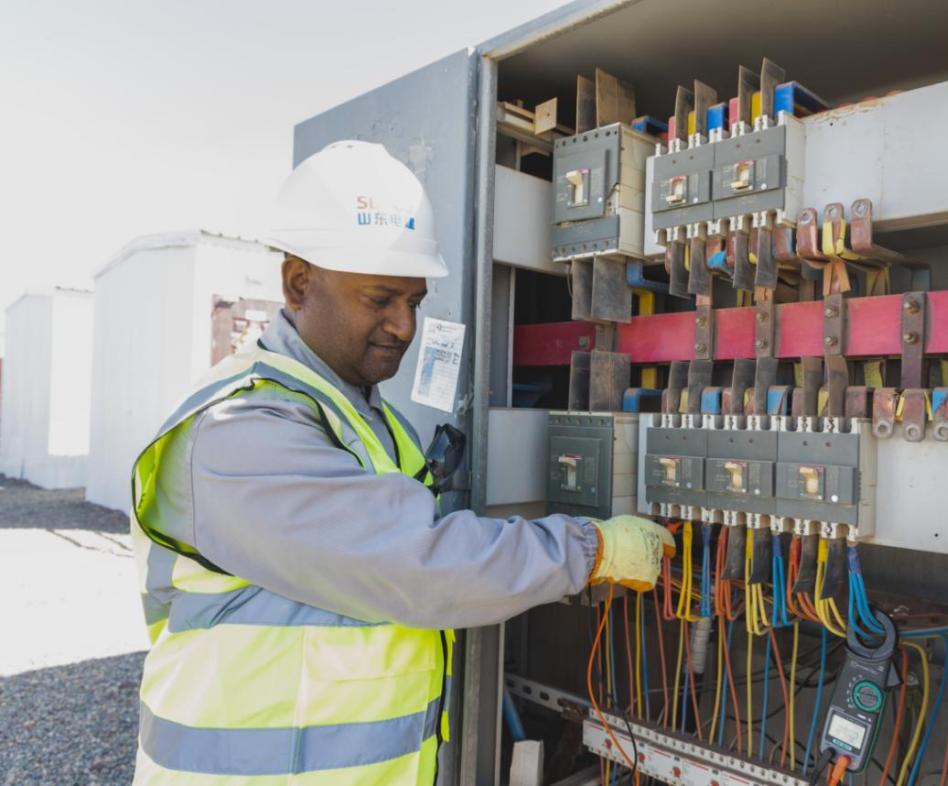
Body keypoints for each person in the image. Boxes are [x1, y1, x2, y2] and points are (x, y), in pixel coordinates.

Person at [130, 140, 675, 785]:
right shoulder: (239, 429)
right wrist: (591, 549)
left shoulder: (368, 418)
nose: (405, 326)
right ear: (298, 283)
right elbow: (420, 564)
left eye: (413, 302)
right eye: (380, 299)